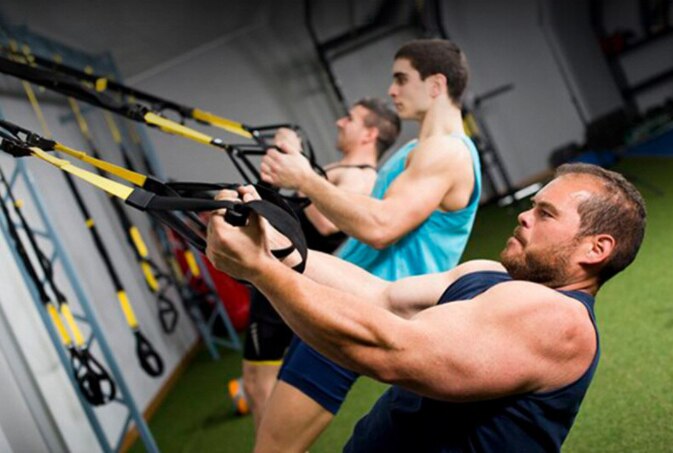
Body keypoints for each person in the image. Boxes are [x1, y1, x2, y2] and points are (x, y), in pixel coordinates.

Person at [206, 162, 647, 452]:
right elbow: (378, 296)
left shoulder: (561, 320)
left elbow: (390, 350)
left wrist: (262, 270)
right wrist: (278, 247)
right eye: (531, 207)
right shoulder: (487, 274)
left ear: (596, 248)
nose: (523, 216)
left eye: (545, 214)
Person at [256, 39, 481, 450]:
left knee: (273, 446)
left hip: (362, 312)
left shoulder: (446, 153)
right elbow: (358, 209)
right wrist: (302, 168)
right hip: (346, 298)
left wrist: (305, 179)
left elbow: (381, 226)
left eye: (400, 79)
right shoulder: (415, 149)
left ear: (435, 85)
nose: (391, 91)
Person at [238, 98, 401, 429]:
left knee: (261, 387)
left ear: (369, 134)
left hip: (293, 284)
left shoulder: (361, 177)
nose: (340, 122)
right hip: (273, 282)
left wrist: (295, 163)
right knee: (257, 385)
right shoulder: (334, 169)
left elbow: (327, 224)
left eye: (350, 119)